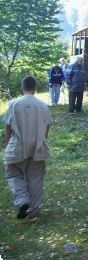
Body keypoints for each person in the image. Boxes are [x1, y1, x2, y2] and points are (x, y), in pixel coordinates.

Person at [3, 76, 52, 219]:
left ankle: (22, 199)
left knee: (13, 173)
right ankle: (34, 210)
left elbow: (8, 126)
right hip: (37, 145)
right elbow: (47, 126)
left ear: (21, 87)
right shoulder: (43, 106)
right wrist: (43, 140)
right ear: (35, 89)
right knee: (36, 177)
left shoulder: (14, 104)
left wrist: (8, 145)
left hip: (17, 144)